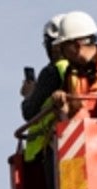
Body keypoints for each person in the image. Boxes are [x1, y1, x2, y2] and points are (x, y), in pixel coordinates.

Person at [19, 13, 71, 163]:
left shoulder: (52, 71)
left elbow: (29, 112)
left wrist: (29, 94)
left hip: (50, 147)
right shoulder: (85, 69)